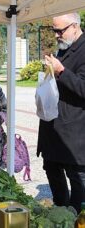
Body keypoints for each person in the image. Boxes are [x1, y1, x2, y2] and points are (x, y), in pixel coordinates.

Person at [37, 12, 85, 213]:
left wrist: (62, 72)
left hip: (74, 133)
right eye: (54, 30)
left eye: (60, 30)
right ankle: (60, 213)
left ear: (74, 26)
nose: (56, 35)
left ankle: (75, 217)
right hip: (53, 130)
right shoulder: (63, 48)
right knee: (52, 169)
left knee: (77, 180)